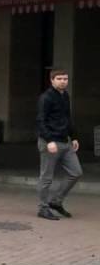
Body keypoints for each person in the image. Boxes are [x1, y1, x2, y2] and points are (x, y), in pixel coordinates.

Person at [36, 69, 83, 220]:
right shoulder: (46, 98)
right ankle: (43, 208)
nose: (63, 81)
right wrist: (49, 140)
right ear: (52, 80)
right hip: (50, 142)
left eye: (65, 78)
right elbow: (40, 121)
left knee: (76, 172)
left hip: (65, 142)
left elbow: (67, 118)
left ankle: (56, 201)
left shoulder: (65, 96)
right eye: (59, 78)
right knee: (46, 177)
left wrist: (74, 136)